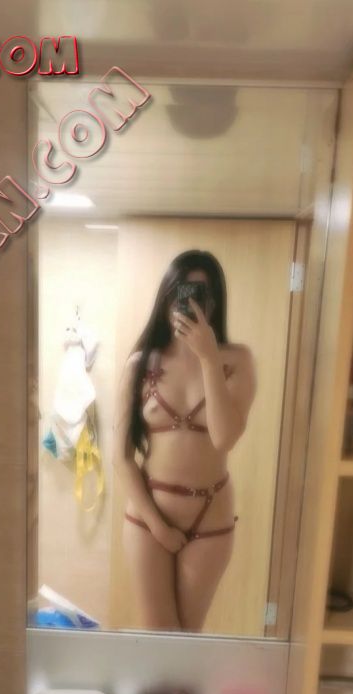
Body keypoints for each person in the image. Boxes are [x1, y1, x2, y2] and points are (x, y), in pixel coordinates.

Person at [113, 249, 257, 632]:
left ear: (215, 303)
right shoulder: (140, 364)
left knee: (188, 638)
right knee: (158, 633)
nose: (190, 303)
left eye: (201, 294)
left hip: (210, 513)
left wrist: (208, 358)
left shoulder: (237, 361)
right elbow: (121, 458)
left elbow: (224, 438)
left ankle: (181, 681)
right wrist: (158, 526)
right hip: (149, 514)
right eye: (182, 292)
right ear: (167, 297)